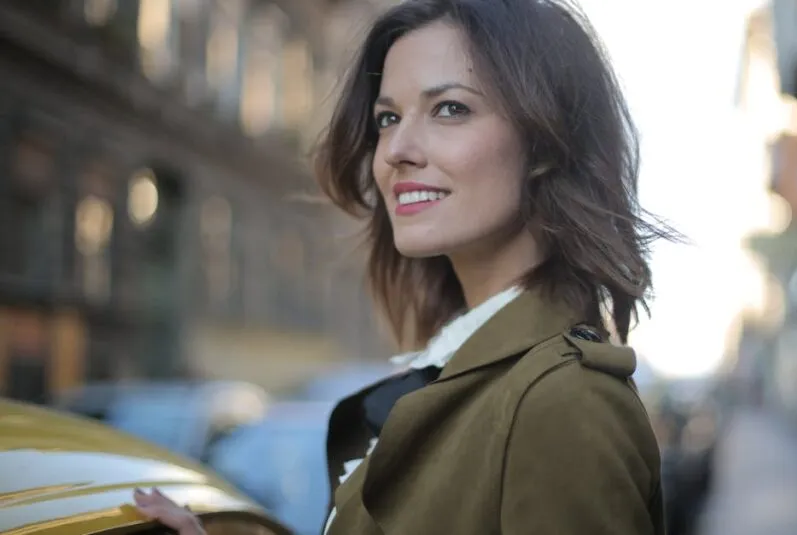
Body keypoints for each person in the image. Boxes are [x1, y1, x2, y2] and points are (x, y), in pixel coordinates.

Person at [133, 0, 679, 533]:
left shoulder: (562, 405)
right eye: (388, 118)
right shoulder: (463, 375)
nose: (395, 149)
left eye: (450, 109)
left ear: (544, 145)